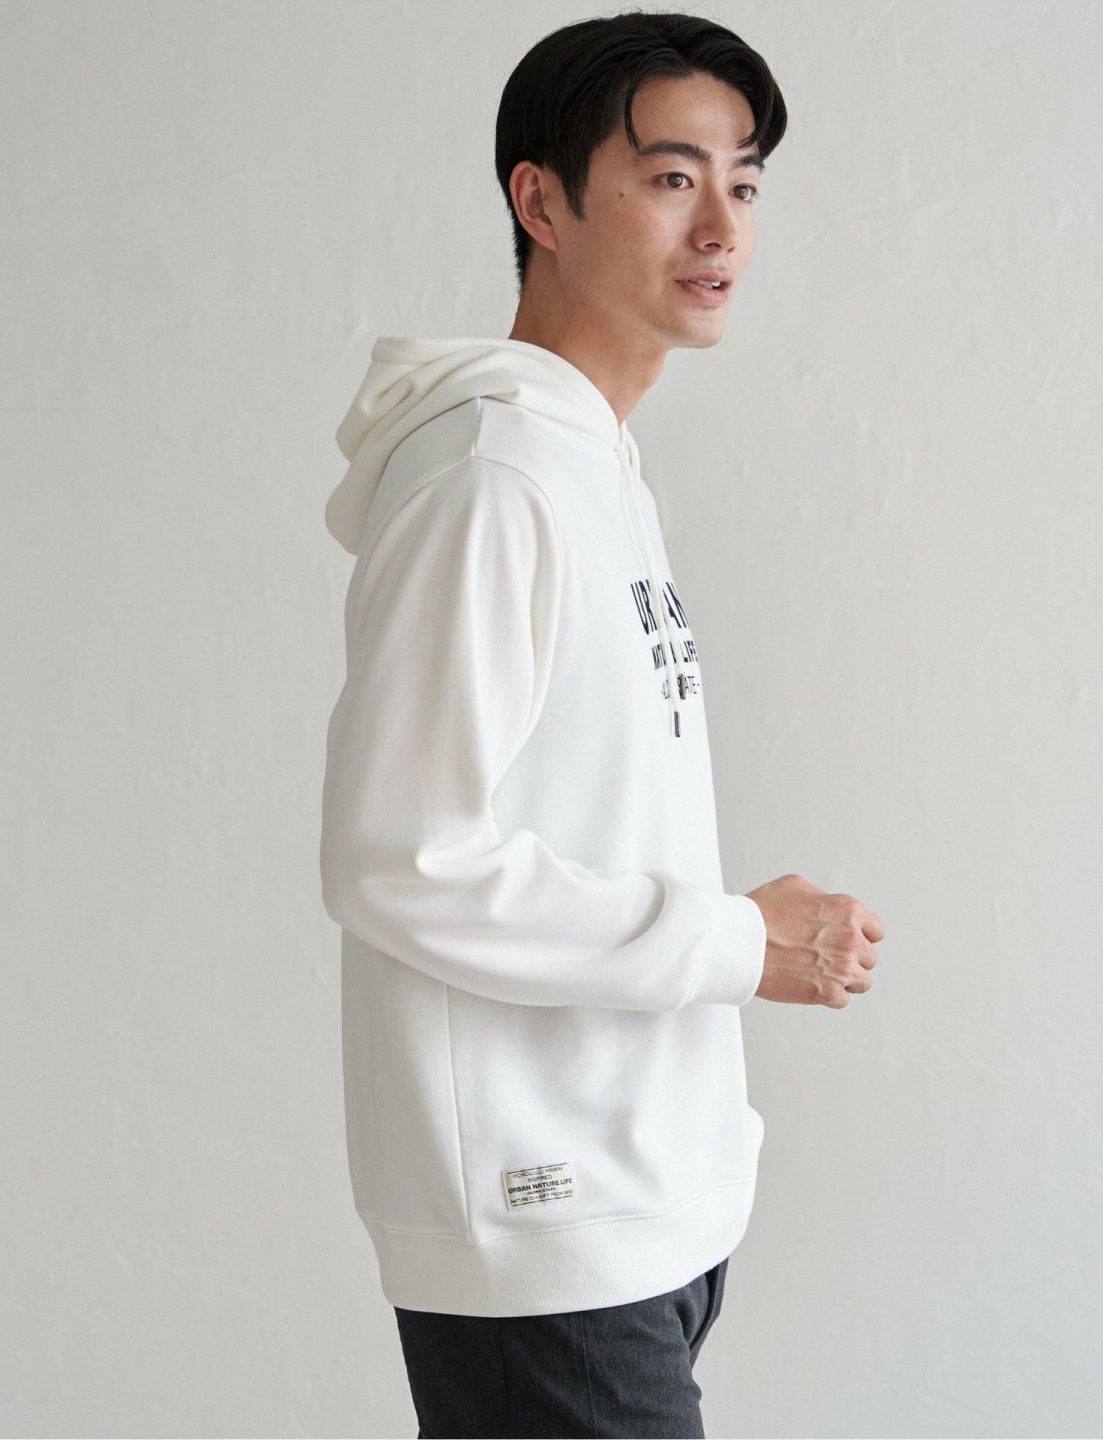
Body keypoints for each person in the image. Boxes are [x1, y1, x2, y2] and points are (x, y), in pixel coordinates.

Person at [319, 11, 885, 1437]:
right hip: (545, 1224)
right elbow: (399, 858)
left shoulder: (595, 470)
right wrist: (738, 942)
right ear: (542, 200)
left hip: (639, 1204)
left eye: (743, 182)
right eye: (671, 177)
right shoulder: (491, 481)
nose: (722, 227)